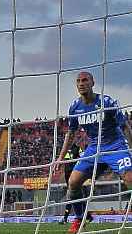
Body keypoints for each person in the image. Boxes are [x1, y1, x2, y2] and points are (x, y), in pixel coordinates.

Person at [54, 71, 132, 233]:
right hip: (93, 148)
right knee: (73, 183)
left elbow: (124, 126)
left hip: (115, 146)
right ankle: (81, 218)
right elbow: (71, 133)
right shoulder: (75, 108)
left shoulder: (107, 102)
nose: (82, 83)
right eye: (79, 81)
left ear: (92, 82)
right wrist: (60, 158)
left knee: (130, 179)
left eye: (85, 80)